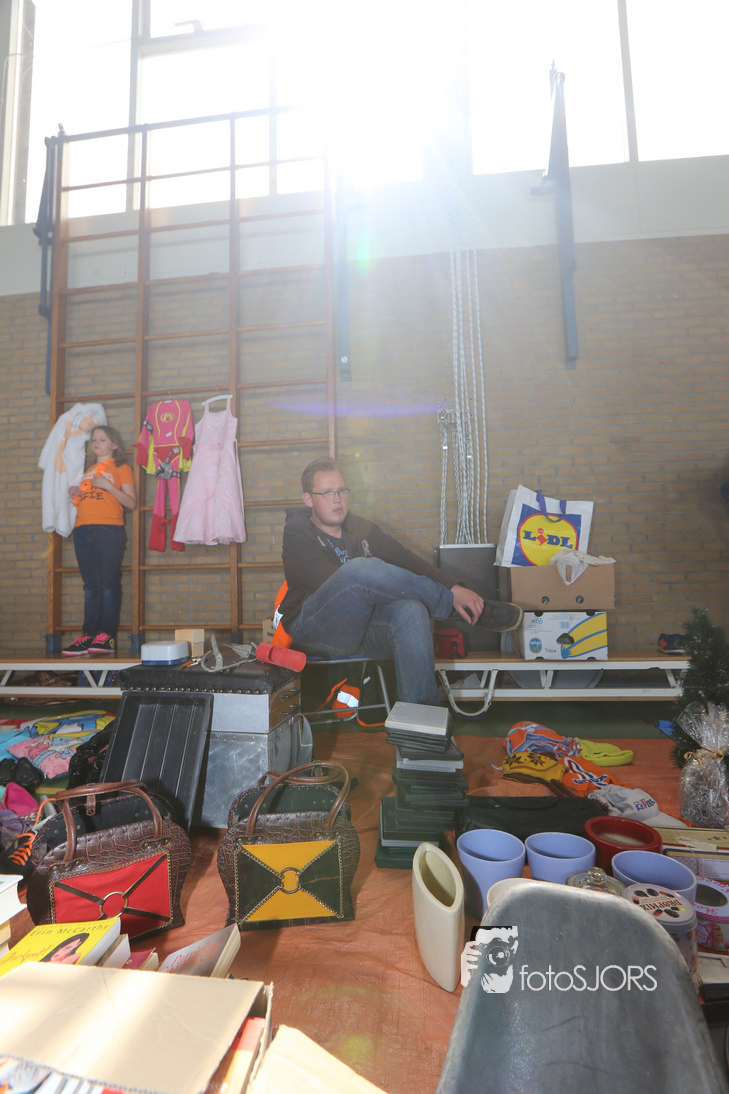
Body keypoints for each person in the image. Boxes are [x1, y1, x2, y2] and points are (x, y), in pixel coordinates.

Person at [279, 457, 523, 706]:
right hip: (315, 631)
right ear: (308, 499)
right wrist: (444, 595)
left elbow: (405, 559)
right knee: (361, 570)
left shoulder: (361, 528)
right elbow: (332, 581)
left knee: (411, 611)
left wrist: (454, 587)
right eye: (327, 493)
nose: (337, 498)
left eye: (342, 490)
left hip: (362, 630)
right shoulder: (296, 533)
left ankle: (422, 720)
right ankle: (448, 604)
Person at [62, 425, 137, 656]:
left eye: (102, 439)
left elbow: (131, 502)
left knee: (108, 584)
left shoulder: (121, 467)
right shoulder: (89, 470)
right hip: (83, 529)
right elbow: (87, 500)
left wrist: (108, 486)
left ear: (114, 444)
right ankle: (88, 635)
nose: (96, 443)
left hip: (108, 529)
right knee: (91, 586)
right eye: (94, 439)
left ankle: (106, 635)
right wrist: (75, 492)